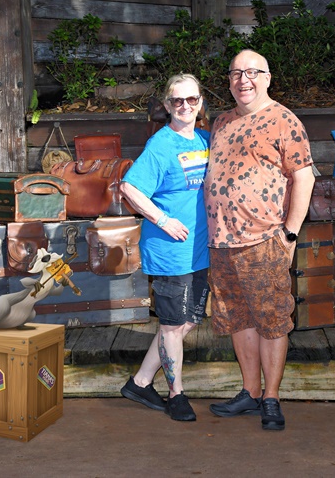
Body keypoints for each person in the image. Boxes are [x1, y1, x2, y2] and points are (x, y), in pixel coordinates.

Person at [204, 49, 316, 431]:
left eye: (252, 72)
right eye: (236, 73)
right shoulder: (221, 122)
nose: (244, 80)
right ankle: (250, 392)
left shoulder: (284, 120)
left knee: (272, 320)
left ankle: (271, 397)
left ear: (267, 78)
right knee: (238, 318)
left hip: (264, 240)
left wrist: (290, 233)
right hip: (222, 243)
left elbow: (304, 177)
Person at [119, 73, 210, 422]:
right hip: (171, 250)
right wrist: (163, 220)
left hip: (199, 249)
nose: (185, 106)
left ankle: (141, 382)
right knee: (173, 325)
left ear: (200, 102)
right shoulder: (161, 145)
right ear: (167, 106)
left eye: (191, 99)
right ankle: (176, 394)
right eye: (177, 101)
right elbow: (129, 188)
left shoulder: (204, 139)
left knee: (187, 321)